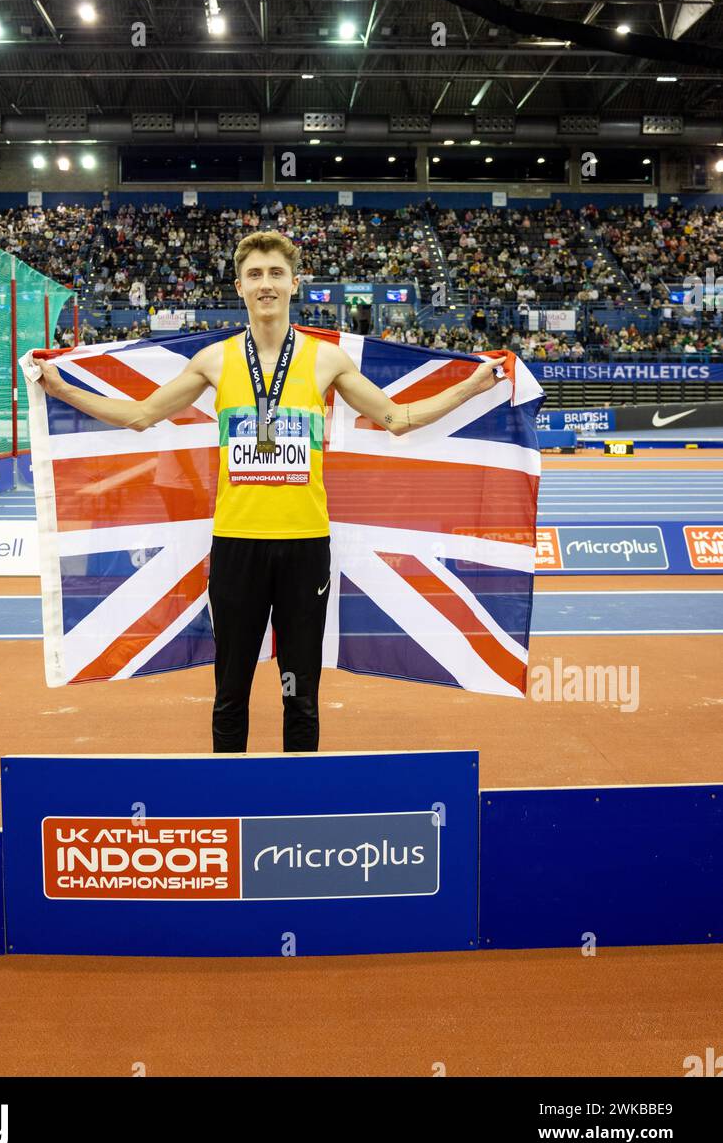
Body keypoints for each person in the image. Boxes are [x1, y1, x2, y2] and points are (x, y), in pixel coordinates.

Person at [36, 231, 504, 754]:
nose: (266, 284)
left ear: (294, 284)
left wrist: (473, 385)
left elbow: (397, 417)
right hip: (237, 545)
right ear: (239, 287)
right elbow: (142, 414)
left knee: (300, 694)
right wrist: (62, 389)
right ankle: (230, 803)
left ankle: (295, 804)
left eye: (276, 274)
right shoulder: (214, 361)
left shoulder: (327, 361)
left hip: (305, 547)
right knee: (229, 693)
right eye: (255, 275)